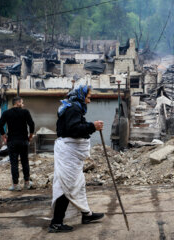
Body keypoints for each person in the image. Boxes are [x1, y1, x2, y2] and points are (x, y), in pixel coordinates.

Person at [49, 85, 104, 233]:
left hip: (70, 153)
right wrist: (92, 126)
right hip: (68, 153)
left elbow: (74, 126)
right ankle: (56, 223)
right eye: (88, 96)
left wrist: (90, 126)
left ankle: (87, 215)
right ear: (81, 95)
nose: (89, 100)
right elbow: (74, 129)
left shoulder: (73, 106)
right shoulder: (74, 108)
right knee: (67, 185)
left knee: (78, 183)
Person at [0, 96, 35, 191]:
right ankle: (27, 183)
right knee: (25, 162)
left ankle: (16, 185)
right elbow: (31, 124)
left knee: (14, 163)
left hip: (12, 141)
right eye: (22, 103)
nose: (23, 104)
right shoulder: (25, 112)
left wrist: (3, 135)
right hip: (23, 141)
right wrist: (30, 137)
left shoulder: (6, 113)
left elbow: (0, 124)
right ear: (17, 103)